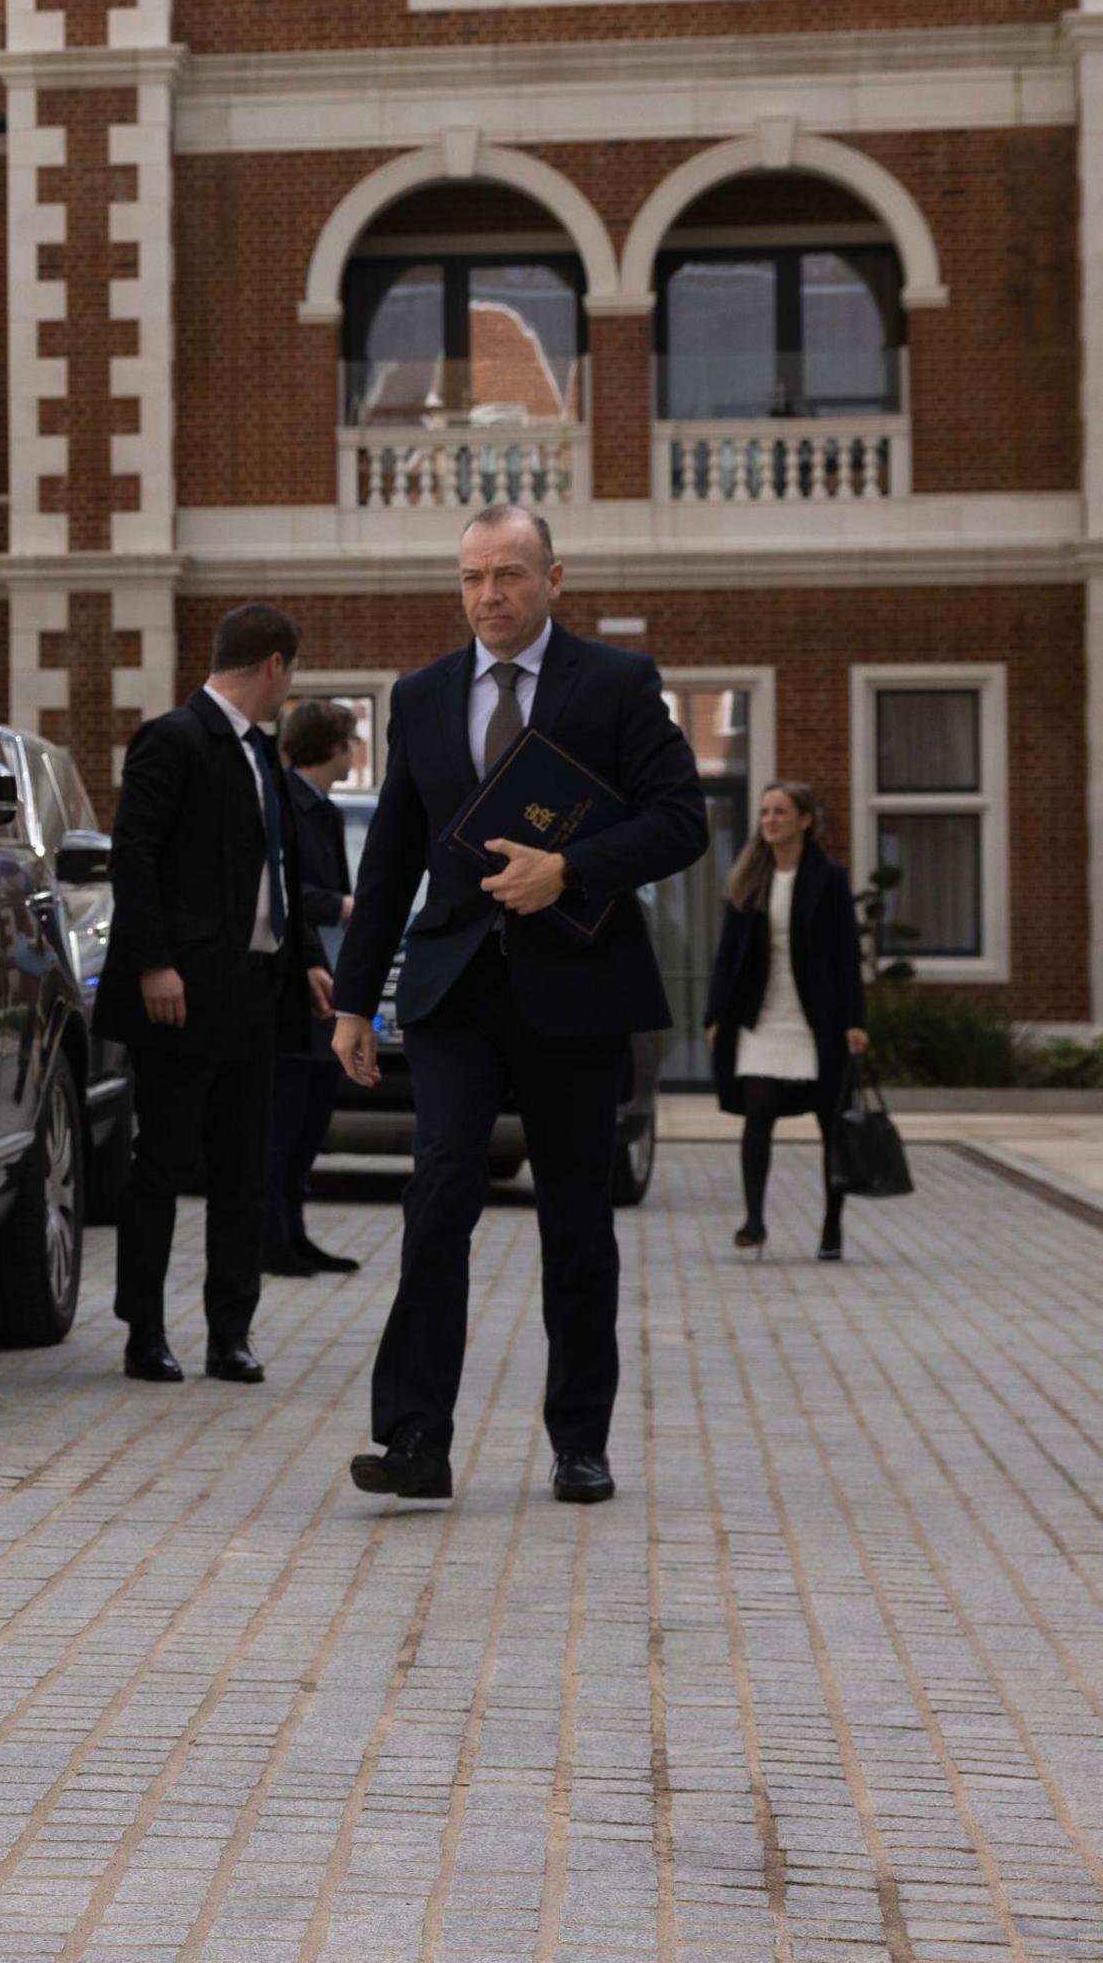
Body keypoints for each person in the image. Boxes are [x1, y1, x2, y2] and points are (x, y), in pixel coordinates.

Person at [330, 506, 706, 1507]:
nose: (488, 594)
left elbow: (682, 821)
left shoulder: (620, 684)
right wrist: (355, 1002)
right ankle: (415, 1436)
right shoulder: (421, 694)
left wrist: (570, 869)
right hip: (455, 987)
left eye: (507, 574)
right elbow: (393, 852)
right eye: (470, 577)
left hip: (577, 988)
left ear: (553, 578)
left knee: (577, 1217)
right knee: (438, 1199)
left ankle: (580, 1440)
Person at [96, 604, 323, 1388]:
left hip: (255, 993)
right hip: (182, 996)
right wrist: (153, 962)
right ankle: (144, 1331)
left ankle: (232, 1332)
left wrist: (311, 961)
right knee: (159, 1166)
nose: (290, 685)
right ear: (273, 665)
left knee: (243, 1169)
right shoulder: (175, 738)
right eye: (291, 671)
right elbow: (135, 855)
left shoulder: (264, 756)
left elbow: (282, 877)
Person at [705, 781, 867, 1260]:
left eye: (779, 812)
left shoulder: (829, 877)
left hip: (817, 1019)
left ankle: (832, 1227)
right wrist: (716, 1015)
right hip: (760, 1017)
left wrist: (855, 1020)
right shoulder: (748, 877)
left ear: (804, 820)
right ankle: (754, 1221)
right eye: (764, 812)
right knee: (758, 1114)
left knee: (830, 1124)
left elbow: (846, 953)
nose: (769, 820)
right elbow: (727, 954)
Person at [266, 698, 362, 1277]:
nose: (356, 751)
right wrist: (342, 904)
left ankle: (294, 1233)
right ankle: (270, 1238)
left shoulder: (325, 809)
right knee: (285, 1119)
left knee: (311, 1120)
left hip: (330, 978)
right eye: (352, 740)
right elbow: (280, 886)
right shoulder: (286, 803)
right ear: (330, 746)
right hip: (295, 980)